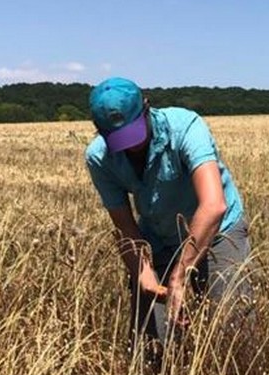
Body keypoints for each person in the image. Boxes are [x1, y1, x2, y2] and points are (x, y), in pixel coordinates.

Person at [84, 77, 251, 349]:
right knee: (149, 344)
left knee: (232, 331)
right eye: (120, 140)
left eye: (133, 135)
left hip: (218, 231)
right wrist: (144, 275)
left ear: (147, 108)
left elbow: (213, 205)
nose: (130, 146)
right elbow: (125, 227)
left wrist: (179, 276)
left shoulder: (185, 127)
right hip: (159, 236)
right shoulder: (99, 158)